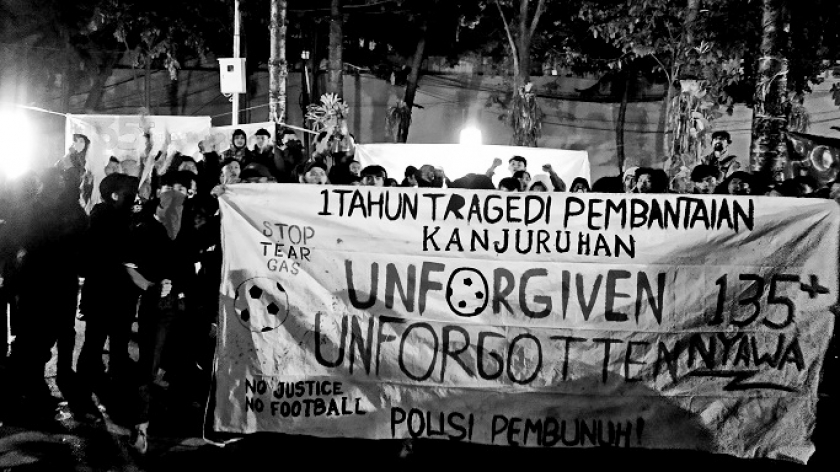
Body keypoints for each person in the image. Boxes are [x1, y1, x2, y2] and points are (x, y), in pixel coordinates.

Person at [8, 168, 88, 418]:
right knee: (36, 336)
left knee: (54, 331)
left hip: (58, 280)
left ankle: (40, 383)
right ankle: (31, 387)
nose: (59, 185)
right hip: (41, 281)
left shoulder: (68, 210)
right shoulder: (33, 209)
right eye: (55, 181)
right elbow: (23, 242)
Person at [76, 173, 140, 419]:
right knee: (94, 344)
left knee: (118, 345)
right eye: (129, 193)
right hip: (103, 294)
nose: (135, 198)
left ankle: (113, 391)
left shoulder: (124, 218)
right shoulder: (104, 219)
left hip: (121, 295)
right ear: (115, 195)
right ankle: (83, 396)